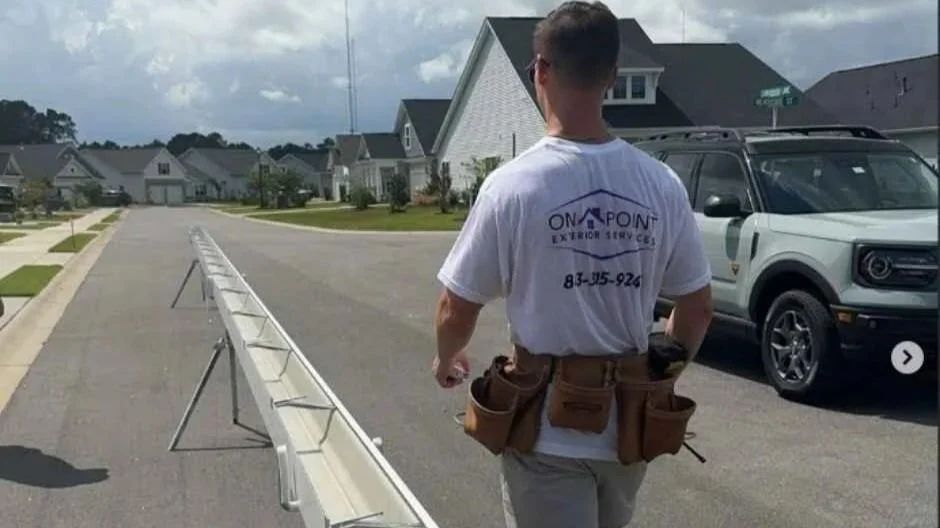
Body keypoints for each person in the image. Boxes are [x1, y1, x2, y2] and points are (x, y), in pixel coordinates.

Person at [432, 2, 714, 527]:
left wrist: (447, 358)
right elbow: (696, 308)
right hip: (628, 430)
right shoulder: (660, 185)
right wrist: (661, 369)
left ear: (541, 69)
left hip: (546, 433)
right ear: (612, 75)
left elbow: (457, 305)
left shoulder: (512, 187)